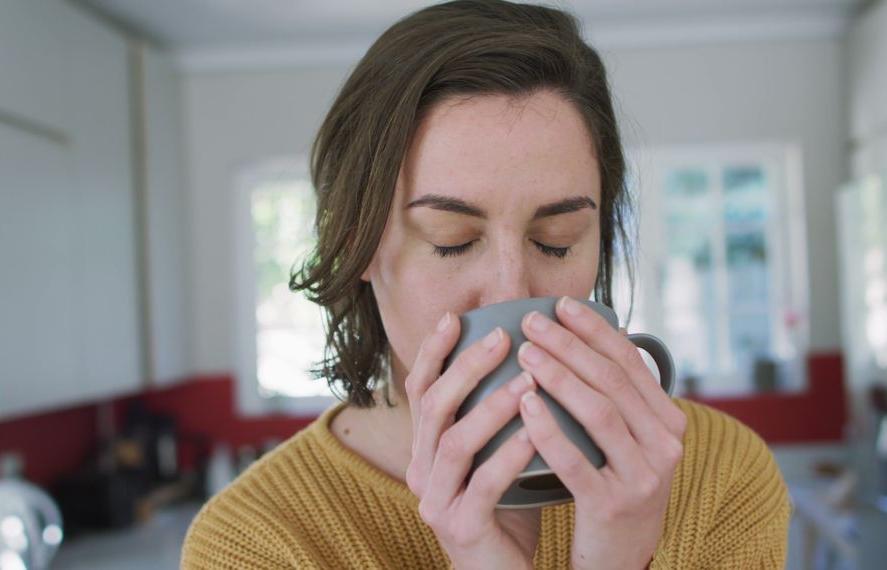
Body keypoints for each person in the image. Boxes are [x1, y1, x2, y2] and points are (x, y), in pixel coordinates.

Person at [181, 1, 791, 568]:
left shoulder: (718, 476)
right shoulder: (256, 542)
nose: (509, 293)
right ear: (356, 244)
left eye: (556, 239)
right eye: (450, 239)